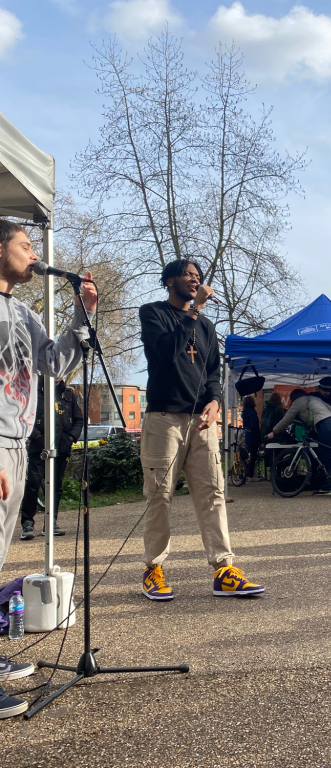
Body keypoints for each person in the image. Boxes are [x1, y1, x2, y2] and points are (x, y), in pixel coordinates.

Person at [0, 219, 97, 717]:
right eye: (24, 244)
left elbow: (56, 364)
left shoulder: (21, 310)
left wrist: (82, 313)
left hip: (17, 439)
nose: (34, 254)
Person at [138, 258, 264, 601]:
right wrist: (194, 310)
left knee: (213, 493)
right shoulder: (153, 313)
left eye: (198, 276)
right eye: (188, 275)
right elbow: (165, 353)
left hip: (202, 421)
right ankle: (153, 568)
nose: (195, 280)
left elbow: (212, 371)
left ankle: (224, 569)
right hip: (164, 418)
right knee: (160, 495)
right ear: (170, 280)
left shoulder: (206, 325)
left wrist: (215, 402)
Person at [20, 378, 83, 538]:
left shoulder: (68, 395)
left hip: (61, 448)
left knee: (56, 486)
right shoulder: (34, 392)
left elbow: (78, 420)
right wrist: (36, 436)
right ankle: (27, 523)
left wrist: (70, 438)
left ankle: (51, 522)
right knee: (33, 484)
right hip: (39, 448)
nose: (57, 375)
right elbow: (24, 416)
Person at [267, 388, 331, 495]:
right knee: (324, 457)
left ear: (293, 398)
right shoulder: (314, 398)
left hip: (324, 425)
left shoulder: (297, 403)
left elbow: (286, 420)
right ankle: (326, 487)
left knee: (329, 457)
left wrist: (274, 431)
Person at [240, 395, 260, 480]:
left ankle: (247, 472)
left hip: (248, 436)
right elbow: (254, 425)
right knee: (253, 456)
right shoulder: (252, 413)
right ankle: (250, 474)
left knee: (250, 455)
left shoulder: (244, 412)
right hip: (253, 436)